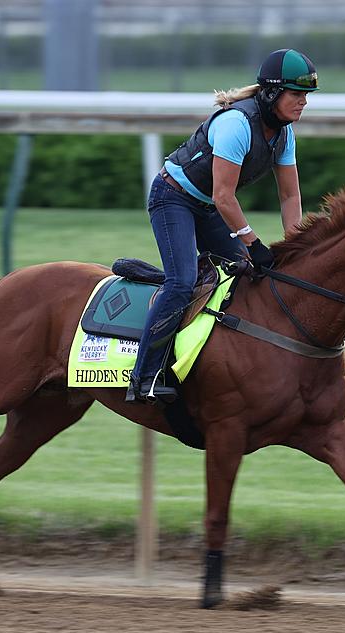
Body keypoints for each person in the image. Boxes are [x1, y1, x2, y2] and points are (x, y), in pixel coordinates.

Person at [126, 48, 319, 404]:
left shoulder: (284, 134)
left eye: (306, 95)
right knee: (182, 282)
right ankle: (144, 376)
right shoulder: (236, 124)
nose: (304, 102)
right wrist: (253, 242)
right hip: (173, 198)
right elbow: (224, 197)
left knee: (245, 274)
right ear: (273, 93)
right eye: (297, 94)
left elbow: (290, 198)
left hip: (206, 205)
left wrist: (295, 247)